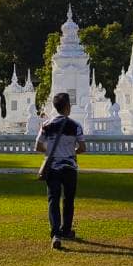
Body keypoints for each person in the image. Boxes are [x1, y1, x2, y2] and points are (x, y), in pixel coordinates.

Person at [35, 91, 87, 250]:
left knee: (53, 200)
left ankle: (56, 233)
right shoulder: (75, 126)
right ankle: (66, 230)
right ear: (66, 107)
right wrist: (71, 152)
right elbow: (82, 148)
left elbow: (38, 146)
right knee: (68, 200)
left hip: (53, 168)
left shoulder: (46, 125)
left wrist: (50, 152)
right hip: (70, 167)